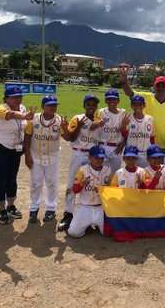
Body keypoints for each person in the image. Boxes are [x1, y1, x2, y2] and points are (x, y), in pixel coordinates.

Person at [58, 94, 101, 232]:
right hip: (78, 153)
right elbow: (70, 138)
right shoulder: (77, 118)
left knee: (90, 184)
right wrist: (79, 126)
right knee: (72, 184)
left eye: (93, 105)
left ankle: (88, 215)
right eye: (88, 104)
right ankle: (68, 213)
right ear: (84, 106)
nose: (91, 107)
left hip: (91, 157)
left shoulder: (99, 121)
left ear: (96, 107)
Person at [24, 95, 69, 223]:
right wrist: (27, 155)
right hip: (35, 156)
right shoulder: (34, 118)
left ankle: (50, 209)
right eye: (49, 105)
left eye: (54, 105)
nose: (52, 107)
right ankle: (34, 208)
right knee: (36, 183)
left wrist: (65, 128)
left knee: (52, 183)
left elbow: (67, 138)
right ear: (43, 106)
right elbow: (27, 136)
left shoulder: (59, 120)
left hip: (52, 157)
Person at [0, 86, 35, 224]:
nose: (18, 99)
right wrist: (24, 116)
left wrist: (25, 148)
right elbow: (9, 115)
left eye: (19, 96)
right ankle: (1, 209)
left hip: (16, 150)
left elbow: (25, 128)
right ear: (6, 98)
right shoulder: (1, 108)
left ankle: (11, 205)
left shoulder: (23, 107)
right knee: (1, 179)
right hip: (1, 148)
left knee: (12, 178)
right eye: (14, 97)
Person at [120, 72, 165, 149]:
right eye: (158, 86)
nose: (160, 88)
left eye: (163, 86)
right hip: (146, 143)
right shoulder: (147, 97)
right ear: (154, 87)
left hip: (164, 144)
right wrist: (124, 81)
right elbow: (129, 93)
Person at [68, 146, 111, 238]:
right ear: (90, 158)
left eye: (101, 158)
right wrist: (82, 184)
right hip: (85, 207)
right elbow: (75, 190)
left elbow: (111, 191)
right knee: (73, 233)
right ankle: (86, 225)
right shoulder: (83, 170)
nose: (99, 160)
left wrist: (103, 189)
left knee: (108, 233)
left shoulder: (108, 170)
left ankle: (94, 224)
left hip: (101, 208)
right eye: (96, 158)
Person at [97, 88, 128, 172]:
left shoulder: (123, 113)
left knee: (115, 174)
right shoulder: (101, 112)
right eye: (109, 99)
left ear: (118, 100)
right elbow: (96, 130)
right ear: (105, 100)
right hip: (103, 146)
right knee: (102, 173)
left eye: (114, 99)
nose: (111, 101)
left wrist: (123, 144)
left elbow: (127, 132)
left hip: (116, 147)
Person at [123, 95, 155, 168]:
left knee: (144, 176)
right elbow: (124, 135)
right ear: (131, 105)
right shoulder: (128, 117)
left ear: (144, 105)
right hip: (131, 154)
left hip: (145, 153)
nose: (137, 106)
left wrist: (152, 152)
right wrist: (124, 125)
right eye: (135, 104)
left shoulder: (150, 119)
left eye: (140, 104)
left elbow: (152, 138)